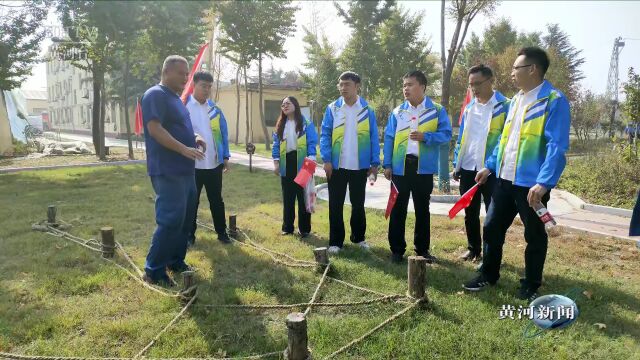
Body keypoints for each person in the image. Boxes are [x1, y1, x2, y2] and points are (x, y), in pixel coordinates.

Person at [463, 47, 571, 301]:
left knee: (533, 234)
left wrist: (544, 183)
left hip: (531, 185)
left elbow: (557, 146)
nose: (511, 73)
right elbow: (505, 140)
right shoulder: (516, 101)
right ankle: (488, 274)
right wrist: (490, 166)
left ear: (532, 69)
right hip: (504, 179)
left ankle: (531, 283)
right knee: (491, 227)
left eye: (515, 68)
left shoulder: (553, 101)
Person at [141, 55, 206, 286]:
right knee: (170, 219)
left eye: (187, 74)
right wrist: (182, 149)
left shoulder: (177, 100)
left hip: (186, 170)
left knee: (186, 219)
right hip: (168, 170)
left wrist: (196, 138)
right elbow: (155, 129)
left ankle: (175, 260)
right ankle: (154, 270)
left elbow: (182, 128)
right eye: (181, 73)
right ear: (166, 72)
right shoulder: (155, 95)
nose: (186, 78)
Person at [383, 70, 452, 264]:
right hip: (400, 168)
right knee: (398, 209)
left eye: (410, 85)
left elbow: (446, 134)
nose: (406, 89)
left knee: (423, 210)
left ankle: (422, 250)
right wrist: (387, 164)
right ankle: (396, 251)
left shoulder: (437, 110)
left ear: (422, 86)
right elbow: (389, 138)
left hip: (423, 169)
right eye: (404, 85)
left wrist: (426, 137)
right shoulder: (398, 112)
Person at [452, 64, 510, 263]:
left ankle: (492, 255)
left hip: (491, 171)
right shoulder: (469, 108)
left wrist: (490, 166)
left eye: (478, 83)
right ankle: (473, 249)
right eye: (471, 85)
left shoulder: (505, 106)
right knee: (470, 212)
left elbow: (505, 140)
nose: (474, 88)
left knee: (494, 216)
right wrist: (456, 164)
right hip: (468, 168)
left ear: (490, 80)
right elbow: (462, 139)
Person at [320, 71, 380, 254]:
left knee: (358, 203)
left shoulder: (367, 110)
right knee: (335, 204)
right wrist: (327, 159)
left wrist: (374, 163)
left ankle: (359, 238)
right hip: (337, 166)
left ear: (357, 86)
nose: (342, 88)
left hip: (359, 166)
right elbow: (325, 134)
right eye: (340, 84)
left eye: (347, 84)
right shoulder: (332, 109)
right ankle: (336, 242)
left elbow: (374, 137)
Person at [186, 71, 231, 246]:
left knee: (216, 201)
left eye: (209, 87)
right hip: (192, 165)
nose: (206, 90)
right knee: (192, 202)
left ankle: (222, 233)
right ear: (194, 85)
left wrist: (225, 156)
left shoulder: (214, 110)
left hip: (214, 164)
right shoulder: (185, 107)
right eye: (203, 86)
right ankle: (189, 236)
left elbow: (223, 133)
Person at [272, 96, 318, 237]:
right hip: (287, 163)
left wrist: (311, 160)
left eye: (288, 103)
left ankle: (304, 229)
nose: (285, 106)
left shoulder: (306, 123)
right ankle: (287, 228)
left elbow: (312, 142)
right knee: (288, 197)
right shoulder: (280, 124)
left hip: (302, 163)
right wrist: (276, 163)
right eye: (283, 104)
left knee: (302, 197)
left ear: (295, 105)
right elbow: (276, 145)